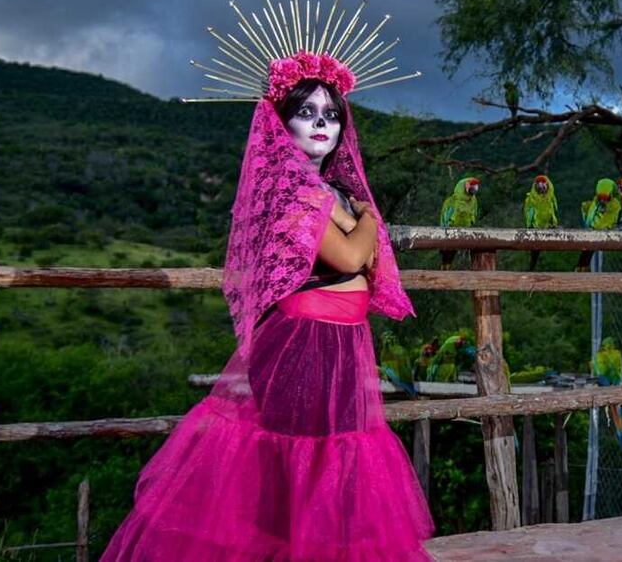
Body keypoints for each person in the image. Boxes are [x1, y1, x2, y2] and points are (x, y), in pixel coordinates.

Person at [101, 36, 435, 559]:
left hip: (345, 341)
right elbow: (351, 260)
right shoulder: (291, 190)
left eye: (332, 114)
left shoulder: (338, 194)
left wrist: (360, 226)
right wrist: (371, 221)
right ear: (282, 123)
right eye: (306, 112)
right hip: (303, 343)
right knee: (297, 465)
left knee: (338, 463)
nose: (322, 123)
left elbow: (364, 263)